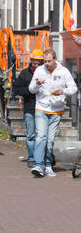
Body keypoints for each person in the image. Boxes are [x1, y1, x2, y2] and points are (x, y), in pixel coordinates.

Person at [29, 49, 78, 177]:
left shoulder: (63, 71)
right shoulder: (40, 70)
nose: (46, 64)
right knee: (41, 136)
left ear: (55, 59)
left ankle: (48, 164)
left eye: (49, 61)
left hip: (56, 109)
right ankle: (38, 165)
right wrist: (37, 84)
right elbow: (31, 89)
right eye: (44, 61)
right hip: (41, 107)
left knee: (50, 141)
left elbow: (73, 88)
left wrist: (63, 91)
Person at [13, 49, 44, 168]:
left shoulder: (45, 73)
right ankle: (32, 157)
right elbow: (17, 89)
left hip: (43, 108)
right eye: (34, 63)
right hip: (30, 108)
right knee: (31, 135)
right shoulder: (24, 74)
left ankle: (41, 157)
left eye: (38, 63)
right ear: (31, 61)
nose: (36, 65)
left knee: (42, 135)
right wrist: (30, 91)